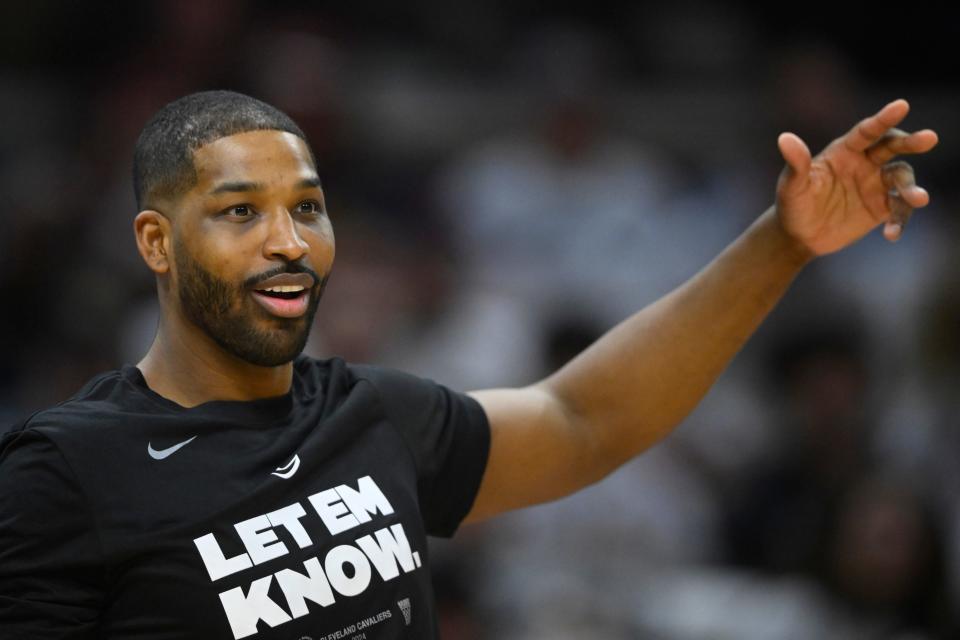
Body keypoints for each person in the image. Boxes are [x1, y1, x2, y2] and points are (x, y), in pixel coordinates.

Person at [0, 90, 938, 639]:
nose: (289, 242)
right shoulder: (66, 472)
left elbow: (584, 421)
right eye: (241, 211)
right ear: (156, 243)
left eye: (310, 207)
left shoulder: (369, 414)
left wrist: (783, 242)